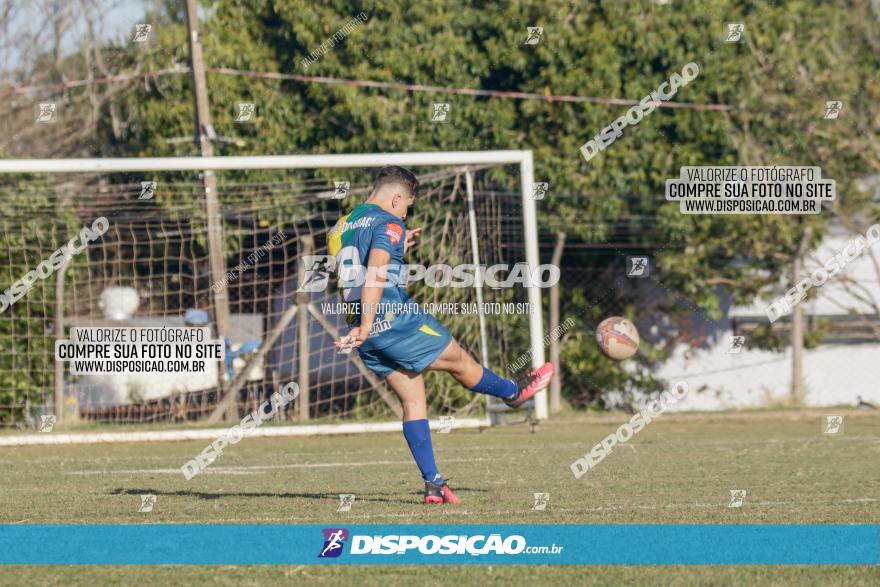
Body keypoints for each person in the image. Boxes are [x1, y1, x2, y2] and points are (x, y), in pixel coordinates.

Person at [327, 166, 554, 504]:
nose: (405, 213)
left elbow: (355, 271)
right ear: (396, 197)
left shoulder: (341, 225)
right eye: (407, 206)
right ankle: (512, 391)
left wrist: (362, 325)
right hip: (390, 320)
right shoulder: (389, 223)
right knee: (460, 361)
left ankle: (433, 483)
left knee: (414, 399)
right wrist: (369, 322)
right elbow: (374, 274)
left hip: (364, 331)